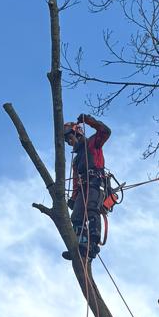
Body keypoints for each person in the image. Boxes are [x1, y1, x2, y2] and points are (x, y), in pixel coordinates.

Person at [62, 112, 112, 264]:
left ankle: (93, 244)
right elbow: (76, 181)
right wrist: (72, 198)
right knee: (76, 217)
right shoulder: (76, 160)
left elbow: (105, 132)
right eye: (68, 141)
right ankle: (80, 243)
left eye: (71, 138)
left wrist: (89, 121)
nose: (71, 142)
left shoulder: (92, 143)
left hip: (96, 184)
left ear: (78, 133)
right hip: (83, 189)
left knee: (91, 210)